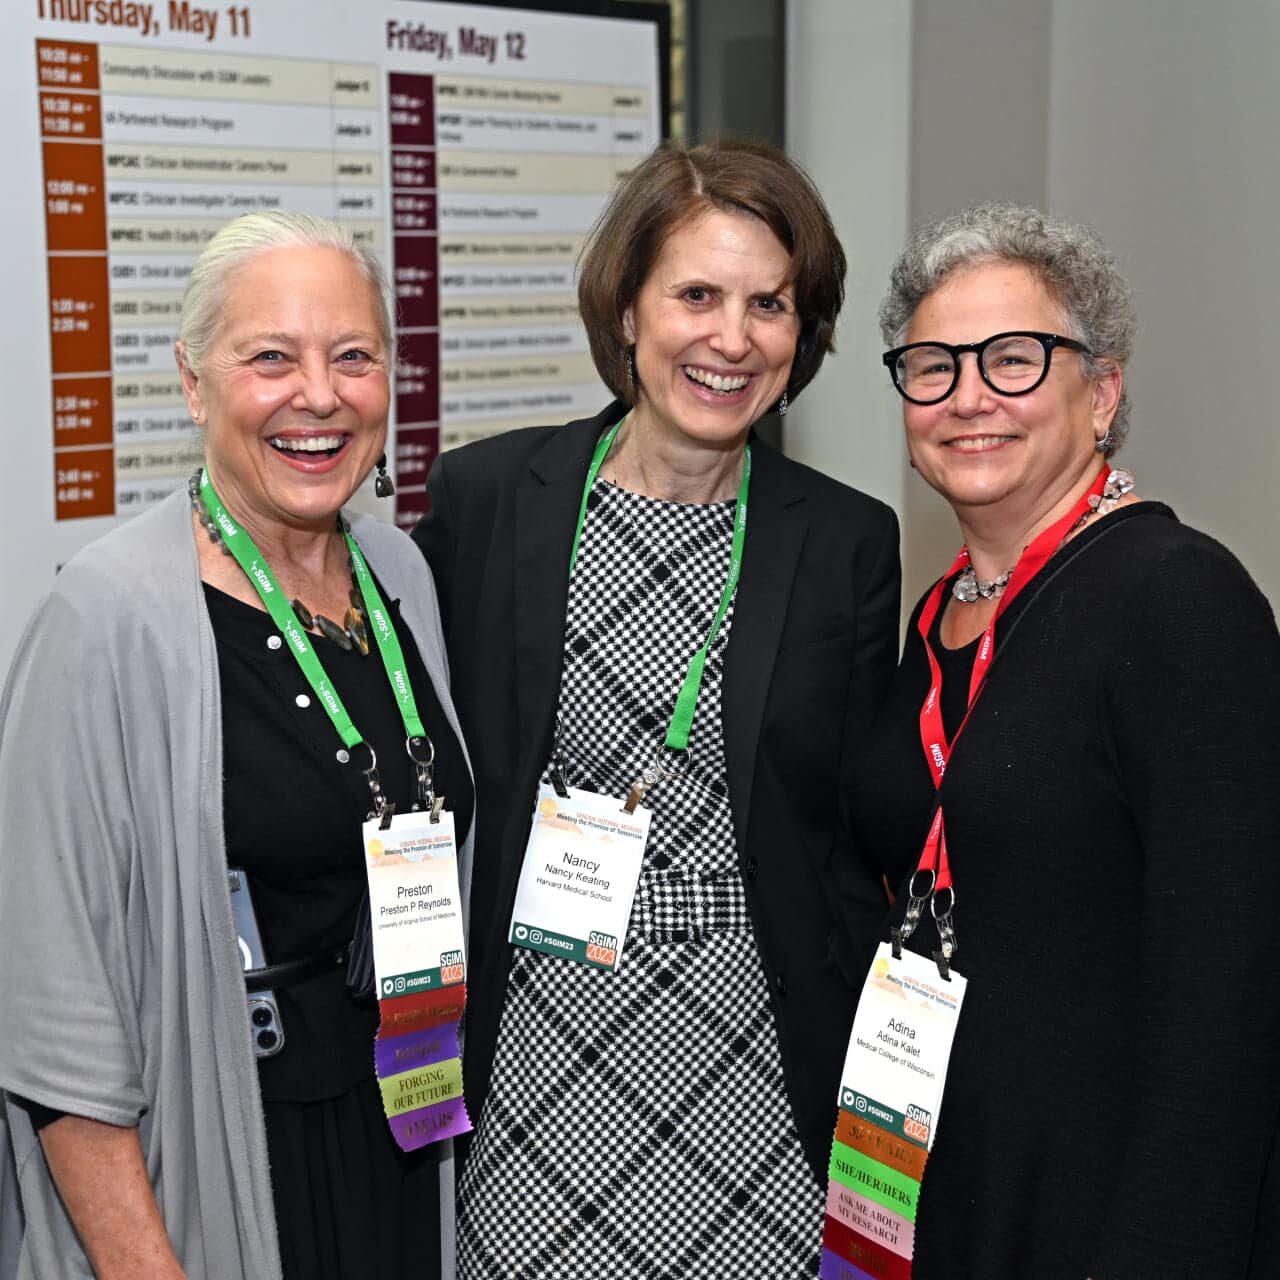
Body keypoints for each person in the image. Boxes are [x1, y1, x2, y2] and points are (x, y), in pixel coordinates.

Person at [413, 138, 901, 1279]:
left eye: (768, 304)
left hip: (757, 1045)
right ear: (625, 309)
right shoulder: (488, 500)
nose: (731, 338)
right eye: (695, 294)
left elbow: (843, 830)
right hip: (540, 1035)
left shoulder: (844, 538)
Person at [0, 211, 474, 1280]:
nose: (318, 394)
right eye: (270, 357)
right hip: (224, 1150)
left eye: (352, 356)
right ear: (193, 380)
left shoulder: (399, 574)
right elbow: (53, 1006)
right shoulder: (108, 618)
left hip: (402, 1122)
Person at [852, 202, 1280, 1277]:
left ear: (1100, 392)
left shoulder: (1178, 602)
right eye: (932, 366)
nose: (966, 398)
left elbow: (1228, 989)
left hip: (1109, 1208)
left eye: (1012, 359)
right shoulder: (940, 612)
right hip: (945, 1169)